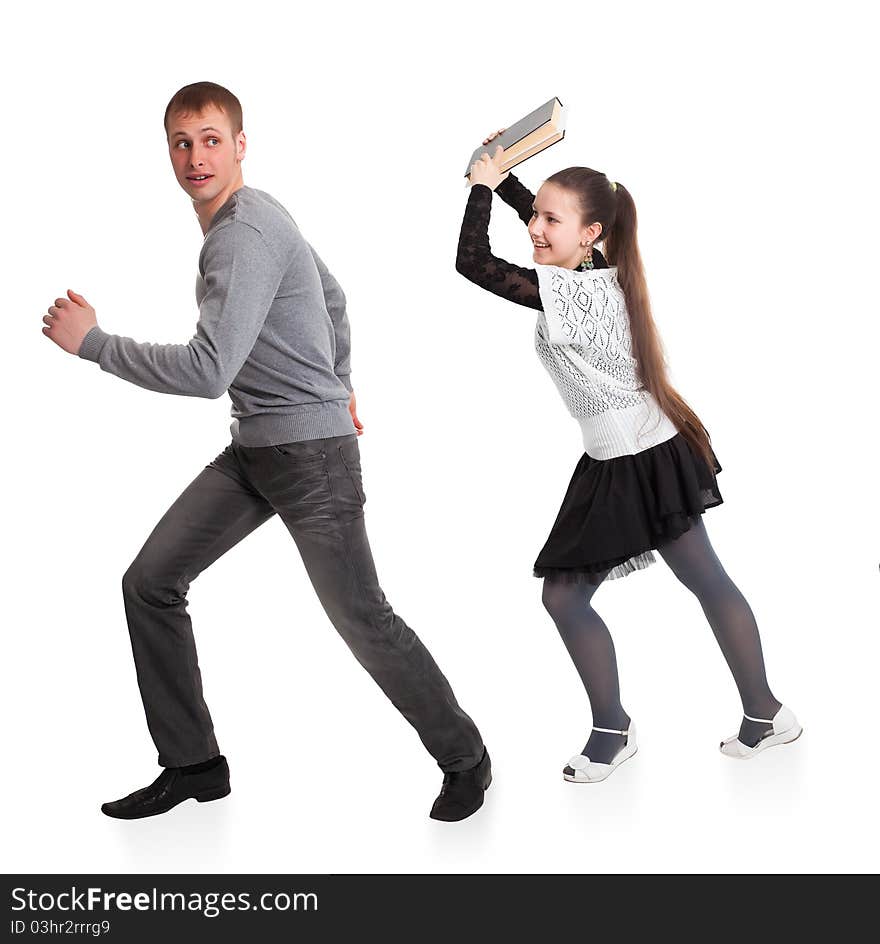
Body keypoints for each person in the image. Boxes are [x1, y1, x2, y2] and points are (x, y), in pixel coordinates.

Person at [41, 82, 490, 822]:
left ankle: (467, 758)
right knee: (150, 581)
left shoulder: (243, 232)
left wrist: (93, 344)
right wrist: (339, 382)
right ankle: (194, 765)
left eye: (212, 139)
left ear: (240, 144)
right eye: (182, 143)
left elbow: (207, 369)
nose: (196, 157)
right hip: (256, 451)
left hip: (311, 460)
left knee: (362, 618)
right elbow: (334, 295)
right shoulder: (255, 215)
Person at [454, 131, 801, 783]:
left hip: (638, 462)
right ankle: (761, 714)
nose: (535, 226)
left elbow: (473, 262)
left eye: (549, 220)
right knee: (685, 584)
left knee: (571, 596)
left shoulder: (578, 293)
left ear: (588, 233)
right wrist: (502, 178)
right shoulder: (590, 263)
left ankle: (629, 728)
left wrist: (477, 186)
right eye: (535, 215)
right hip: (632, 454)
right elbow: (547, 217)